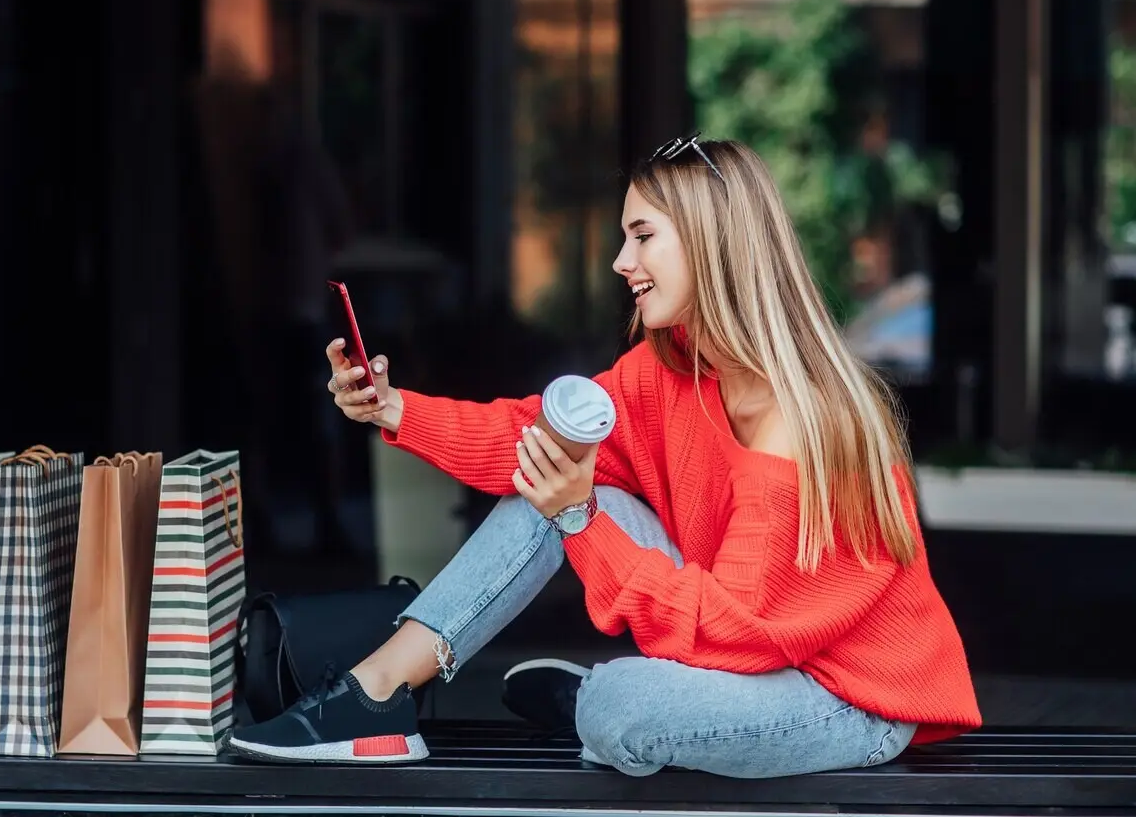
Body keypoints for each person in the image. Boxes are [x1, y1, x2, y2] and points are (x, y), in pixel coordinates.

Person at [225, 135, 982, 777]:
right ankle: (376, 693)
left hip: (845, 697)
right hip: (741, 647)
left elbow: (738, 634)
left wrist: (582, 520)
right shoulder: (668, 373)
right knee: (545, 478)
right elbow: (526, 437)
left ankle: (592, 700)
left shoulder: (800, 418)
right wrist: (396, 408)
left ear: (712, 243)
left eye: (643, 236)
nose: (622, 260)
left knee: (623, 706)